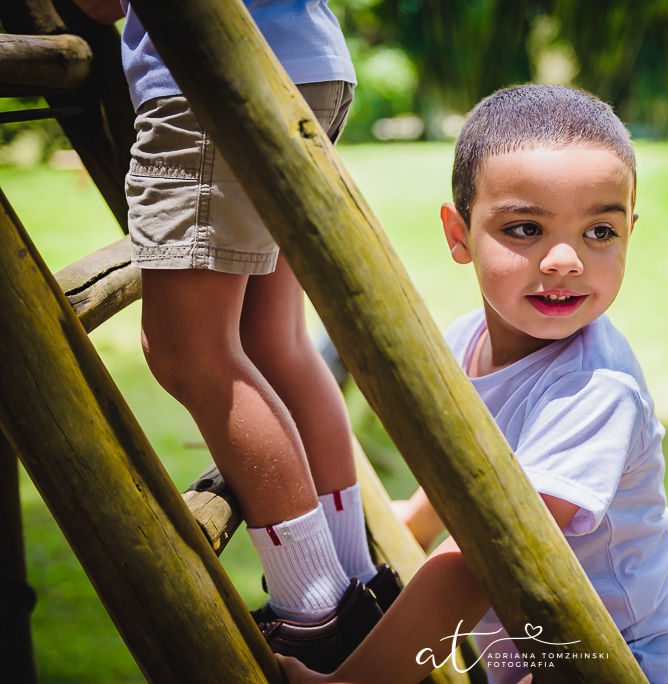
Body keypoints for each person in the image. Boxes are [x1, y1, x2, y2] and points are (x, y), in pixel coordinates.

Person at [279, 84, 668, 684]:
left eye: (600, 232)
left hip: (630, 664)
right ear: (459, 234)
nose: (565, 260)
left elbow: (487, 558)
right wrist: (414, 525)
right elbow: (475, 473)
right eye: (526, 228)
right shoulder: (464, 342)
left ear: (629, 233)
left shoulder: (595, 390)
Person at [70, 0, 399, 673]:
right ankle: (360, 585)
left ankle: (315, 615)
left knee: (188, 351)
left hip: (206, 72)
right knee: (276, 341)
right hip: (310, 61)